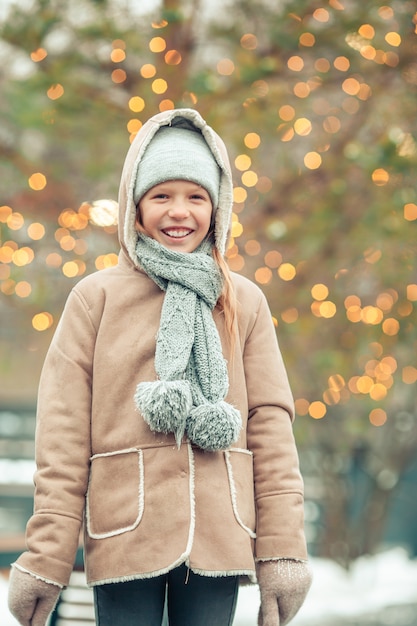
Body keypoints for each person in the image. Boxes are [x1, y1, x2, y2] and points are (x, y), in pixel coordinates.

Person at [8, 108, 312, 626]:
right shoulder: (95, 299)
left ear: (217, 208)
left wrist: (282, 552)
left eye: (196, 197)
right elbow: (61, 437)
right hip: (126, 533)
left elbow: (271, 426)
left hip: (220, 536)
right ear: (136, 206)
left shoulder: (244, 301)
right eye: (161, 196)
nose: (179, 212)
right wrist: (46, 559)